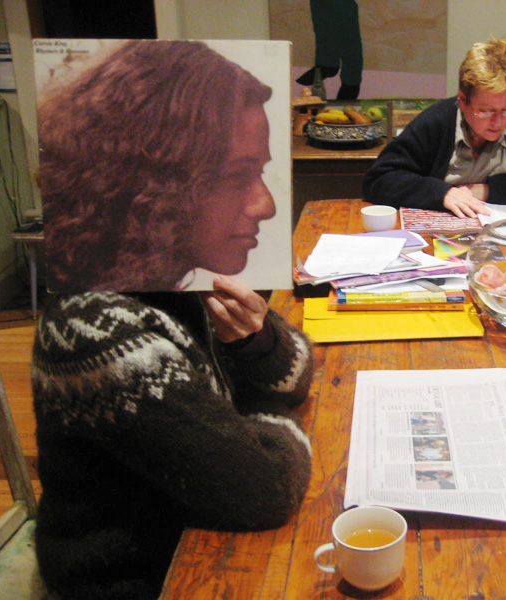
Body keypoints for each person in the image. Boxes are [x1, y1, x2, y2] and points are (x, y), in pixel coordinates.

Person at [32, 40, 315, 600]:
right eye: (238, 176)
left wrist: (258, 341)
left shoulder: (171, 282)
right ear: (154, 181)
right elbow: (263, 489)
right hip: (139, 580)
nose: (265, 205)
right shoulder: (102, 330)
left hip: (188, 538)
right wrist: (273, 423)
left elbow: (297, 371)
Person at [38, 40, 277, 292]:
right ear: (150, 176)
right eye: (238, 176)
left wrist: (261, 332)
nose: (266, 207)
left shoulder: (148, 300)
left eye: (258, 173)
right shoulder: (107, 324)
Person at [363, 37, 506, 218]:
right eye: (486, 111)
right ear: (462, 101)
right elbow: (379, 181)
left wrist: (487, 191)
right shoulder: (435, 122)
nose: (498, 122)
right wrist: (442, 193)